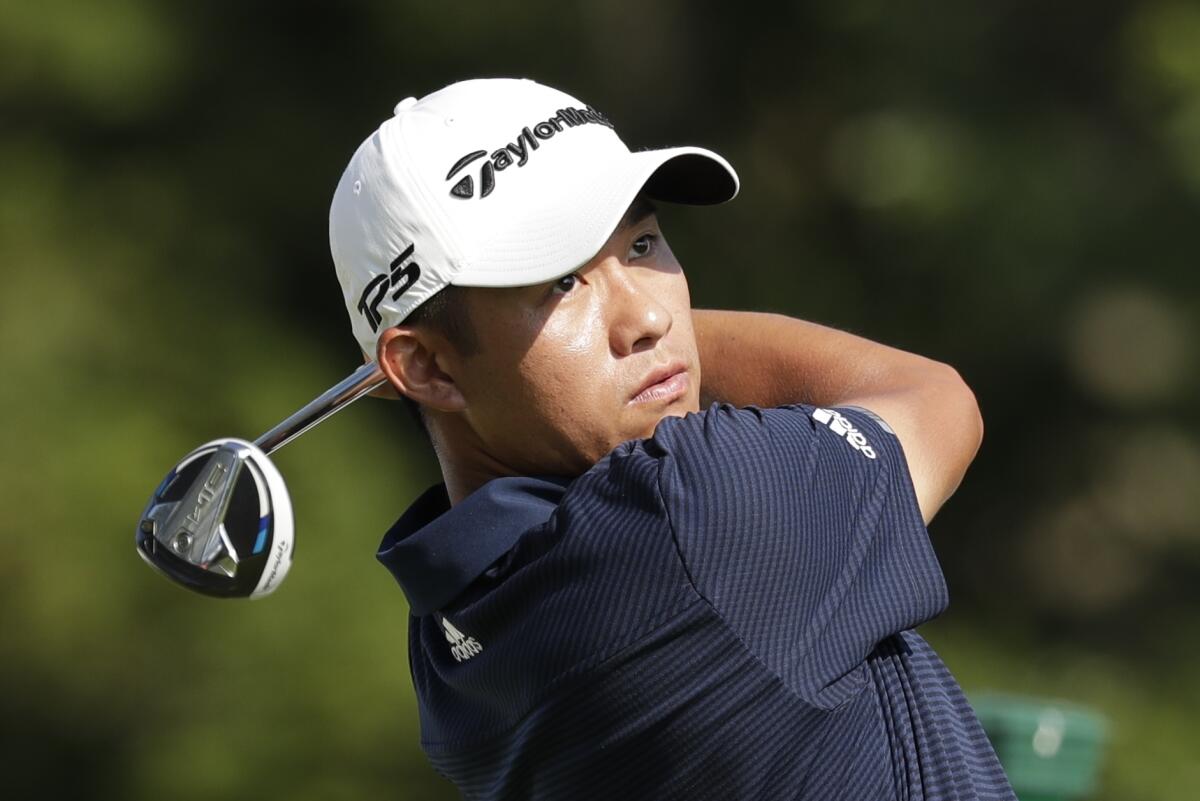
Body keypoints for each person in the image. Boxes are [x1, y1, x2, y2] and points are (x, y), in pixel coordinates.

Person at [328, 78, 1015, 800]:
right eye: (562, 282)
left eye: (642, 244)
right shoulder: (699, 511)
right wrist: (673, 348)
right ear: (426, 364)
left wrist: (638, 346)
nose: (647, 315)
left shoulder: (448, 640)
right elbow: (936, 398)